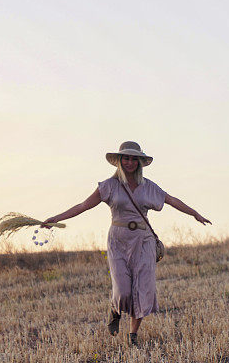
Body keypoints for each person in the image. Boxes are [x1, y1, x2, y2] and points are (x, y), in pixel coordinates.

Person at [43, 141, 211, 345]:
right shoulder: (109, 186)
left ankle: (133, 335)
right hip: (118, 240)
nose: (130, 162)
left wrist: (195, 214)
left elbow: (172, 200)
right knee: (122, 289)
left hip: (143, 240)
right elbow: (83, 205)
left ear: (139, 162)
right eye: (126, 158)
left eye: (134, 158)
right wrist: (56, 218)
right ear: (119, 161)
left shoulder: (148, 186)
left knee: (142, 287)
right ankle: (115, 310)